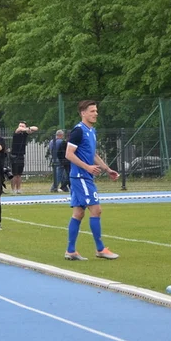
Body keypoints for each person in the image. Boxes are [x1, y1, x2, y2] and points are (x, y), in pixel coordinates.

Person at [64, 100, 120, 261]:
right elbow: (69, 154)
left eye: (96, 111)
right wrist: (88, 168)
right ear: (83, 113)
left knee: (78, 213)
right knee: (96, 210)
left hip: (83, 177)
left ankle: (71, 251)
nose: (96, 113)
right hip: (81, 177)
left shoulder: (91, 131)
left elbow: (93, 154)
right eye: (92, 111)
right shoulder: (78, 131)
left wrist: (107, 169)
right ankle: (100, 249)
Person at [9, 120, 39, 194]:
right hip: (14, 155)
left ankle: (18, 189)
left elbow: (36, 128)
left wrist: (28, 129)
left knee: (19, 174)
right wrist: (25, 129)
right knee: (14, 174)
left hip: (21, 155)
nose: (21, 127)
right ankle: (13, 190)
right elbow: (19, 130)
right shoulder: (16, 132)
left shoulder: (25, 133)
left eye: (23, 126)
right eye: (20, 126)